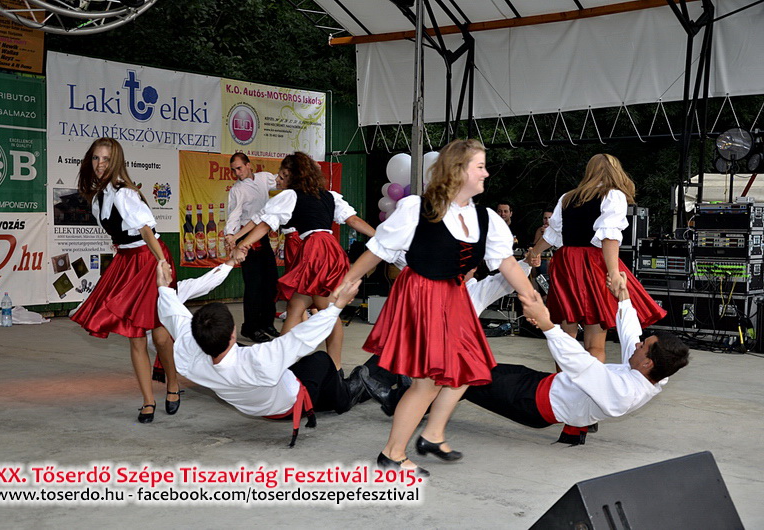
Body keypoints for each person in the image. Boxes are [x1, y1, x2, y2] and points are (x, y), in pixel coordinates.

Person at [334, 139, 536, 476]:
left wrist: (532, 299)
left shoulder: (485, 218)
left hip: (454, 298)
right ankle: (392, 455)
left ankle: (432, 434)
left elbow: (507, 263)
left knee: (468, 367)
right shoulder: (418, 208)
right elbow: (379, 249)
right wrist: (348, 282)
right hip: (422, 296)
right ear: (459, 170)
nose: (486, 173)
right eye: (480, 166)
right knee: (427, 383)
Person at [360, 272, 689, 446]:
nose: (637, 345)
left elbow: (581, 364)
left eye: (644, 347)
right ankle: (412, 399)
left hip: (530, 402)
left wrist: (547, 325)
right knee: (470, 374)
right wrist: (624, 298)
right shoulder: (656, 371)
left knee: (465, 375)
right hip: (539, 386)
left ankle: (396, 400)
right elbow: (631, 335)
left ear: (648, 363)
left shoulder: (625, 391)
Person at [154, 260, 367, 446]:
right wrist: (337, 306)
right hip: (288, 406)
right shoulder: (257, 360)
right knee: (320, 361)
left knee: (295, 364)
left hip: (253, 405)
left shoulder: (189, 354)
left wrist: (164, 287)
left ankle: (336, 395)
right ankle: (347, 397)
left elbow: (174, 314)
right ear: (232, 334)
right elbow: (300, 338)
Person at [71, 137, 180, 424]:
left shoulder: (124, 194)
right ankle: (147, 401)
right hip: (127, 261)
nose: (100, 164)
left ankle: (172, 383)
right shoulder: (98, 197)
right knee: (135, 336)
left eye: (106, 159)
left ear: (116, 161)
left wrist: (162, 264)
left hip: (150, 259)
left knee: (160, 336)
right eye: (96, 158)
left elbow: (146, 231)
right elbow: (121, 233)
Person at [232, 152, 375, 369]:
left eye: (282, 175)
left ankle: (332, 367)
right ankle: (281, 362)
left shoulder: (292, 196)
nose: (279, 179)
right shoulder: (328, 196)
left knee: (327, 310)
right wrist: (379, 237)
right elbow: (353, 220)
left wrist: (242, 244)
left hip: (316, 251)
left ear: (293, 176)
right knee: (297, 306)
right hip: (328, 250)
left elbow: (265, 225)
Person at [527, 154, 666, 363]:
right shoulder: (612, 196)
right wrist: (614, 273)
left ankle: (565, 382)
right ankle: (592, 382)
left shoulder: (567, 198)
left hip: (567, 262)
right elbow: (609, 236)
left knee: (566, 336)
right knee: (595, 341)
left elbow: (553, 234)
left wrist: (534, 252)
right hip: (593, 263)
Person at [225, 153, 279, 343]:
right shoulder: (237, 190)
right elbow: (234, 214)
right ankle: (250, 327)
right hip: (246, 237)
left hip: (262, 235)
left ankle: (267, 323)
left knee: (271, 281)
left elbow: (280, 182)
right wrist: (231, 236)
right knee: (254, 285)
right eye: (234, 170)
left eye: (239, 168)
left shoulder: (264, 178)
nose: (237, 173)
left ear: (249, 165)